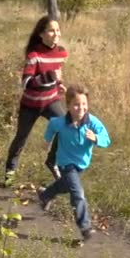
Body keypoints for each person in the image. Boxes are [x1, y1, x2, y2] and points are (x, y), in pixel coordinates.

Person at [37, 85, 111, 241]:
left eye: (84, 104)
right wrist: (47, 141)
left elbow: (106, 139)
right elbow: (51, 126)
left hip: (81, 164)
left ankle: (45, 195)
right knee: (77, 193)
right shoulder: (61, 122)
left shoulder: (92, 122)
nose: (80, 108)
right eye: (76, 105)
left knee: (66, 185)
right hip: (65, 163)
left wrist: (96, 138)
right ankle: (85, 227)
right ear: (68, 106)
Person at [4, 16, 68, 186]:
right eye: (51, 30)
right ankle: (10, 171)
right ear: (41, 34)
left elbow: (57, 75)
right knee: (21, 138)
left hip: (51, 102)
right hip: (30, 105)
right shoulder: (34, 55)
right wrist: (49, 77)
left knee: (66, 127)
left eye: (57, 30)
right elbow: (26, 83)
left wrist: (60, 85)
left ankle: (51, 161)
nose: (56, 34)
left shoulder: (62, 53)